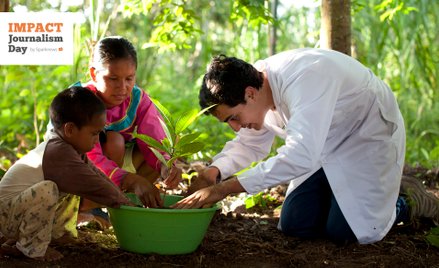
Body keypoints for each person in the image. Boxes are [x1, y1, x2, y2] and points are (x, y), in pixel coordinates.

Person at [173, 49, 439, 245]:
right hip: (321, 148)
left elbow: (300, 153)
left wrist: (224, 189)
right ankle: (344, 198)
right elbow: (251, 145)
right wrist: (212, 173)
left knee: (351, 232)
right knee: (294, 224)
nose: (235, 126)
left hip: (366, 138)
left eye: (233, 118)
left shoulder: (306, 76)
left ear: (250, 94)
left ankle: (406, 203)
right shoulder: (253, 88)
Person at [52, 36, 182, 216]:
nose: (122, 87)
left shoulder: (137, 100)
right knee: (114, 142)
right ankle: (86, 207)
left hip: (114, 169)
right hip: (76, 171)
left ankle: (121, 204)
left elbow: (154, 139)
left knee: (147, 154)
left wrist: (166, 165)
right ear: (93, 74)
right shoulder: (78, 101)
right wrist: (130, 180)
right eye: (113, 78)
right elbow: (90, 158)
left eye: (129, 78)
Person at [0, 87, 132, 261]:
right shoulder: (57, 151)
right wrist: (124, 204)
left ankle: (58, 234)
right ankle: (32, 248)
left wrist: (121, 196)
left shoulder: (72, 150)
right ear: (70, 129)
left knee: (73, 184)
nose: (97, 138)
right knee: (48, 189)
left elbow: (95, 175)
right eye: (94, 133)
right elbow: (95, 185)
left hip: (18, 212)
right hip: (6, 215)